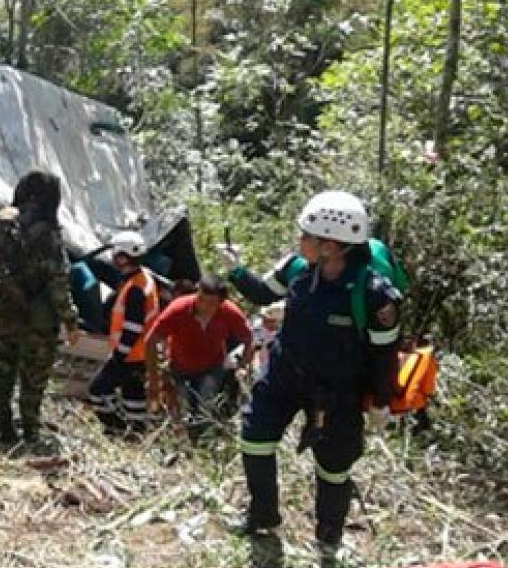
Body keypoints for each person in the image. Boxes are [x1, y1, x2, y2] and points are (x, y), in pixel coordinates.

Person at [223, 191, 402, 562]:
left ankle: (328, 535)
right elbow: (261, 293)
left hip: (338, 391)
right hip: (286, 375)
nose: (299, 241)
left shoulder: (373, 296)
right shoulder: (296, 268)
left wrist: (382, 402)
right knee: (255, 436)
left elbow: (384, 354)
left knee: (334, 467)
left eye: (306, 236)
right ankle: (262, 516)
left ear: (331, 245)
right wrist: (237, 270)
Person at [0, 170, 79, 449]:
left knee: (4, 372)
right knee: (34, 379)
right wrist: (71, 321)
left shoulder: (0, 222)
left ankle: (5, 428)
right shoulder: (48, 234)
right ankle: (31, 432)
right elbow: (58, 283)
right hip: (38, 321)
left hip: (3, 312)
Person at [144, 275, 252, 438]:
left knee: (205, 406)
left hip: (212, 368)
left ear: (221, 303)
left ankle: (203, 443)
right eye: (200, 299)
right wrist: (154, 378)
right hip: (179, 367)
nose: (203, 306)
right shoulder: (178, 309)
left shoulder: (230, 313)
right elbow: (150, 341)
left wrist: (242, 366)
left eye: (211, 303)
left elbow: (248, 340)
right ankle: (183, 445)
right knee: (182, 409)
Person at [87, 231, 161, 434]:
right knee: (133, 396)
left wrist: (118, 355)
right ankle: (136, 432)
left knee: (97, 389)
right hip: (141, 353)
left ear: (123, 257)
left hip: (129, 354)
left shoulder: (136, 288)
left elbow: (133, 327)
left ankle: (116, 427)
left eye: (115, 254)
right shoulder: (143, 278)